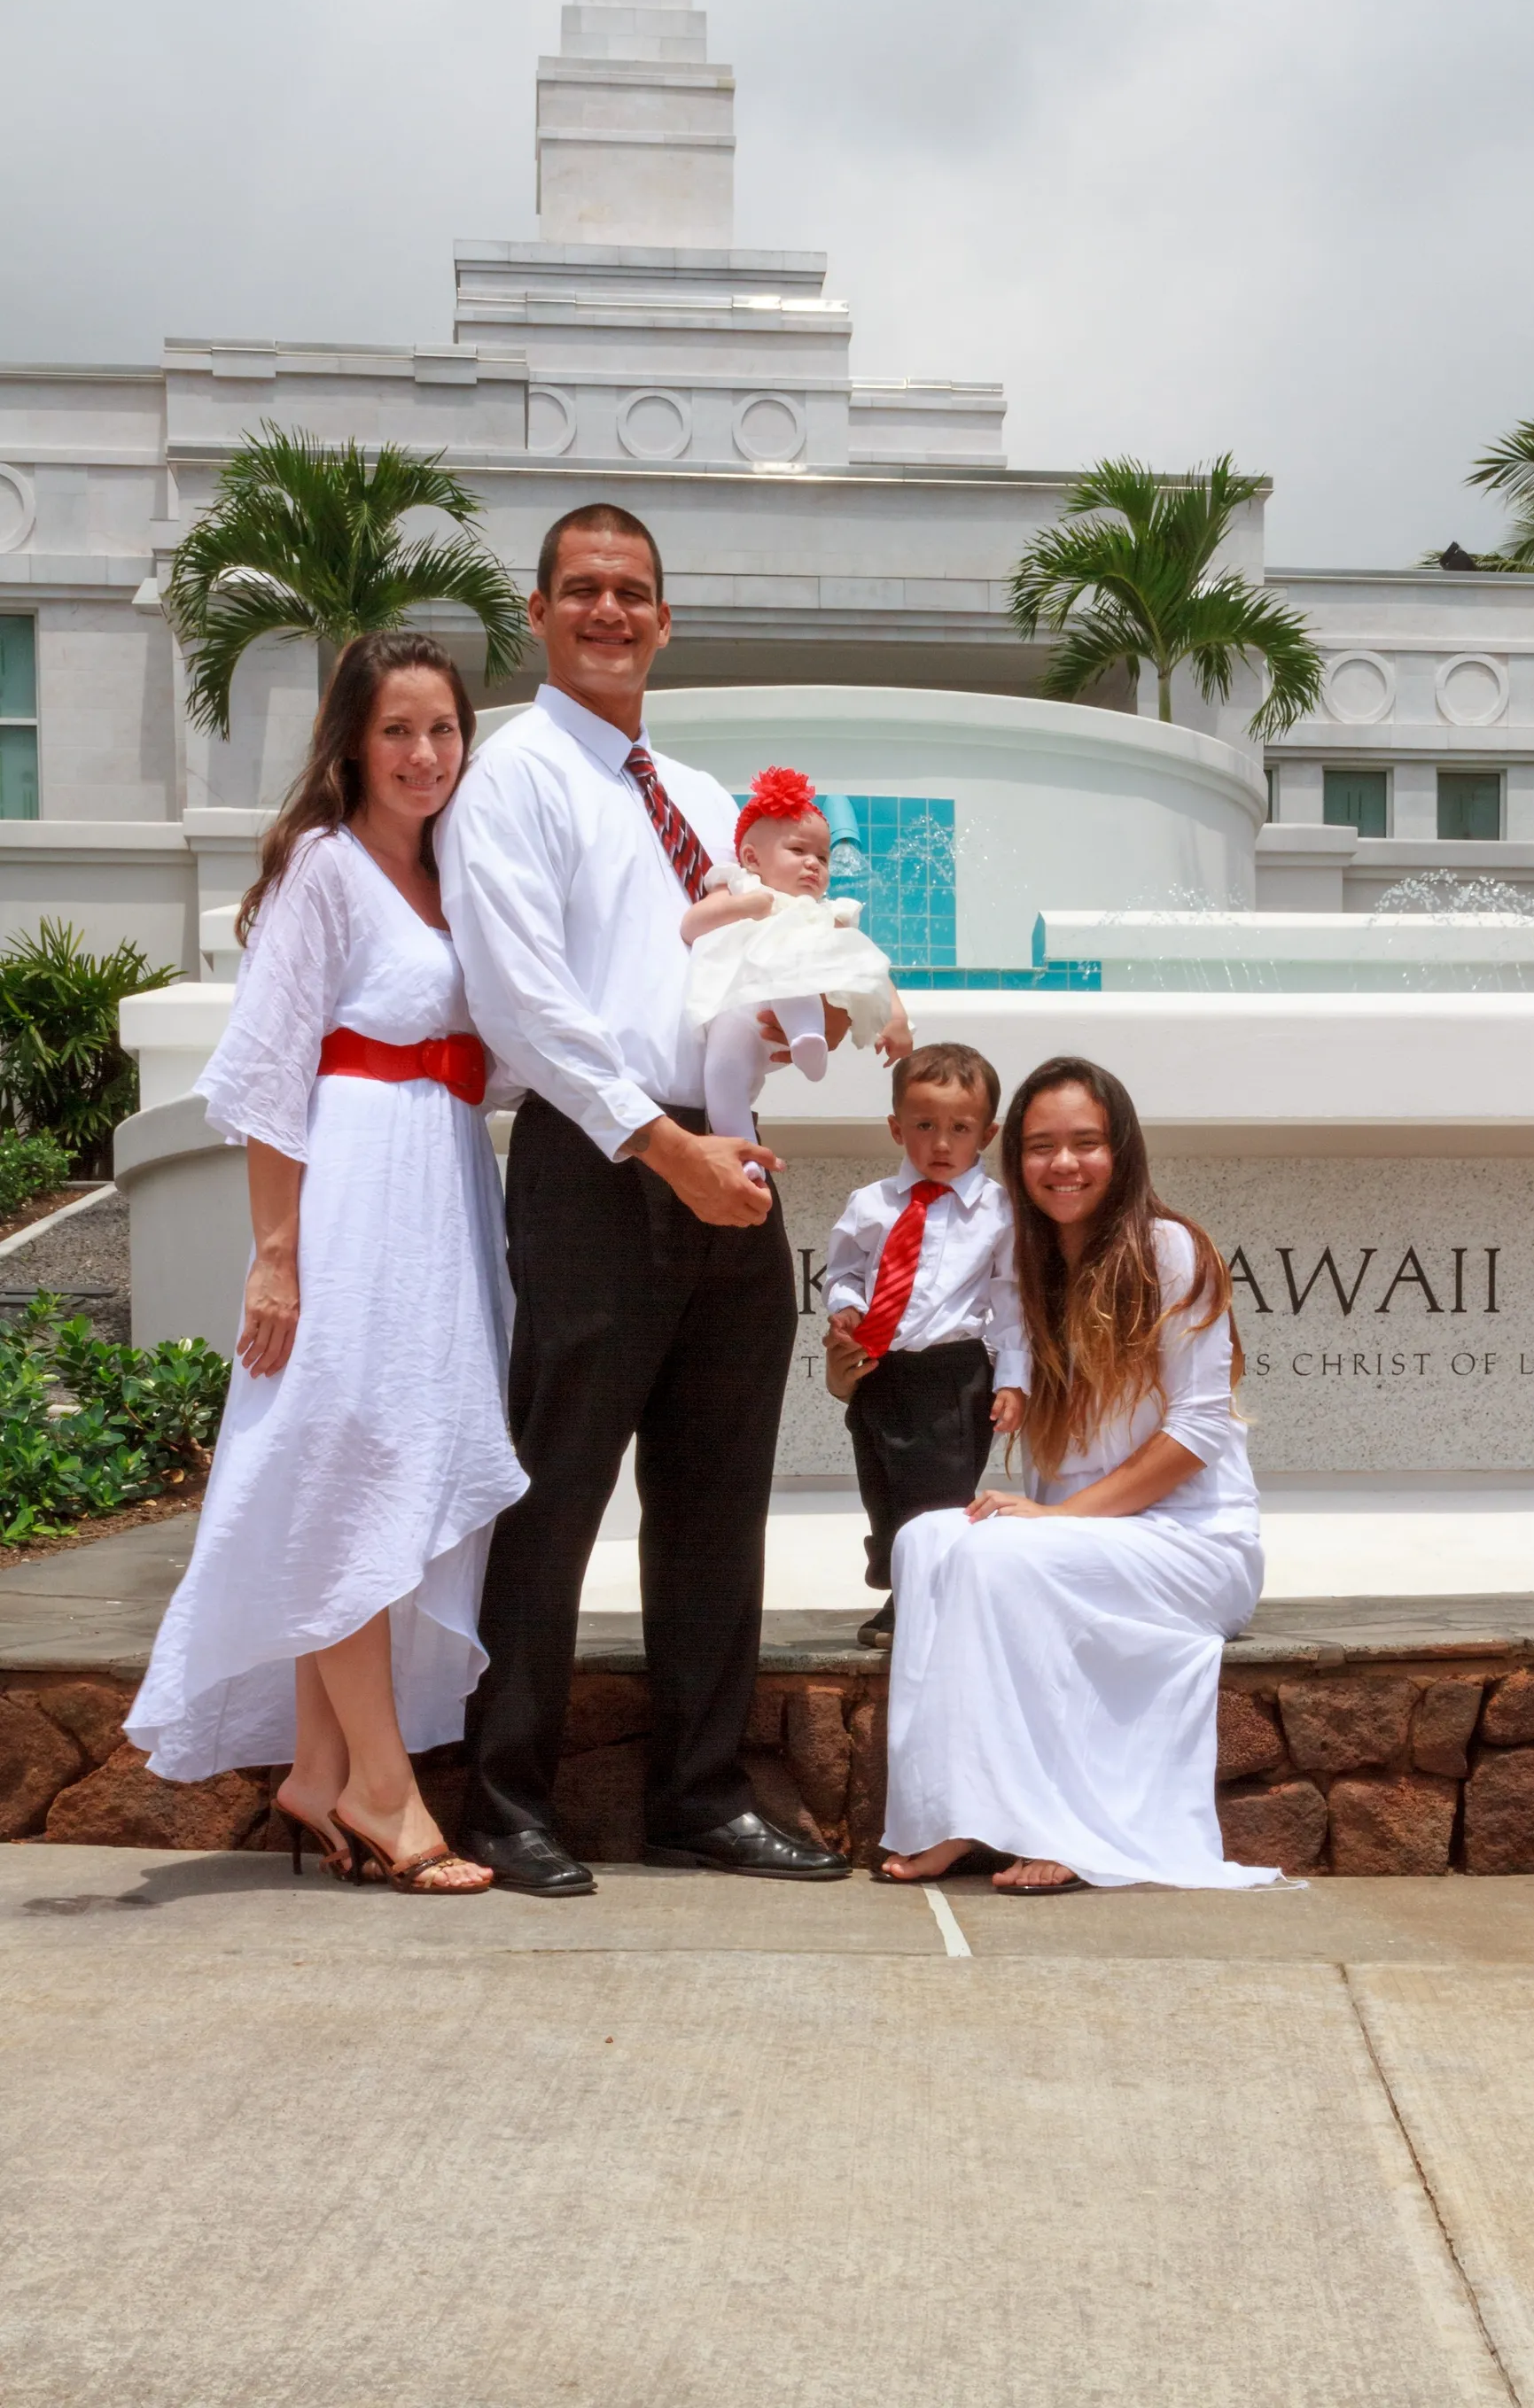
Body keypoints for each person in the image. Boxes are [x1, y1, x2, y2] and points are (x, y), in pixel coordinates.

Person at [435, 501, 852, 1892]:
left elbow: (731, 972)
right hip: (600, 1162)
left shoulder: (695, 787)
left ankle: (700, 1794)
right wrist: (657, 1142)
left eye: (634, 593)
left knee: (717, 1498)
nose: (610, 612)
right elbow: (524, 1001)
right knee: (553, 1493)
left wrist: (804, 1025)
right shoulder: (515, 778)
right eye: (584, 591)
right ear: (541, 613)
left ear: (665, 619)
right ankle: (504, 1797)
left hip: (731, 1161)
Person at [125, 631, 527, 1896]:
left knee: (389, 1467)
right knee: (350, 1469)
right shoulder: (324, 867)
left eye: (444, 730)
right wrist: (279, 1259)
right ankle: (383, 1789)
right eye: (398, 730)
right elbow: (269, 1075)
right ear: (354, 741)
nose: (424, 754)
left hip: (444, 1188)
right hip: (354, 1194)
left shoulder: (458, 875)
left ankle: (314, 1768)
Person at [879, 1056, 1281, 1895]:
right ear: (1013, 1159)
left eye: (1086, 1143)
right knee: (924, 1542)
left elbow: (1197, 1432)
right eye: (1040, 1146)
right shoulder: (1023, 1265)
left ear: (1121, 1150)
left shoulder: (1171, 1251)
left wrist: (1062, 1520)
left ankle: (1064, 1825)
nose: (1063, 1164)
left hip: (1193, 1544)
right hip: (1078, 1539)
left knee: (995, 1555)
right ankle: (947, 1812)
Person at [822, 1043, 1027, 1651]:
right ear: (895, 1127)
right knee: (881, 1481)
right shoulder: (870, 1205)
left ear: (986, 1133)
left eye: (960, 1129)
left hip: (955, 1371)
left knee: (939, 1491)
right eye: (924, 1126)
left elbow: (1012, 1300)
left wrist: (1014, 1377)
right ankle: (899, 1580)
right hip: (881, 1367)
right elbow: (841, 1274)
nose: (941, 1144)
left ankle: (928, 1594)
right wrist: (843, 1306)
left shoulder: (998, 1212)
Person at [684, 764, 909, 1179]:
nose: (813, 865)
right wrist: (743, 907)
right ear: (752, 858)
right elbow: (691, 926)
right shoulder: (739, 888)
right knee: (723, 1077)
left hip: (787, 999)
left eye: (822, 857)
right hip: (734, 1010)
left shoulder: (823, 914)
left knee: (791, 965)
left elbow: (868, 965)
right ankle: (746, 1157)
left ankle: (808, 1037)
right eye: (798, 852)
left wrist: (896, 1017)